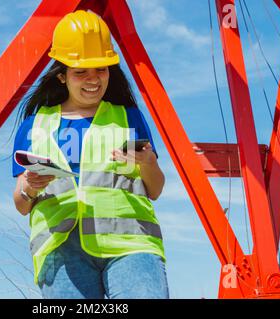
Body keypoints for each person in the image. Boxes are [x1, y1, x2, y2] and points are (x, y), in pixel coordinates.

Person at [12, 10, 168, 299]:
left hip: (131, 246)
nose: (93, 79)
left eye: (101, 69)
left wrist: (146, 164)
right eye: (80, 71)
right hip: (62, 251)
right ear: (62, 76)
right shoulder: (35, 126)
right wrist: (30, 187)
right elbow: (21, 204)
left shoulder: (128, 116)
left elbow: (155, 188)